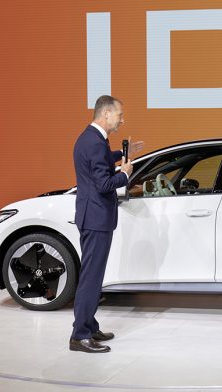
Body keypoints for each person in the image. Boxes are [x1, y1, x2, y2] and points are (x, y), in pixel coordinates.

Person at [70, 95, 140, 353]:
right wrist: (125, 173)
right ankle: (80, 335)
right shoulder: (94, 143)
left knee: (94, 276)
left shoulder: (91, 139)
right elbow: (104, 184)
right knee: (91, 278)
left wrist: (122, 154)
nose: (123, 119)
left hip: (94, 216)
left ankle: (89, 324)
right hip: (96, 218)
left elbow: (97, 162)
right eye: (120, 115)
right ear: (106, 113)